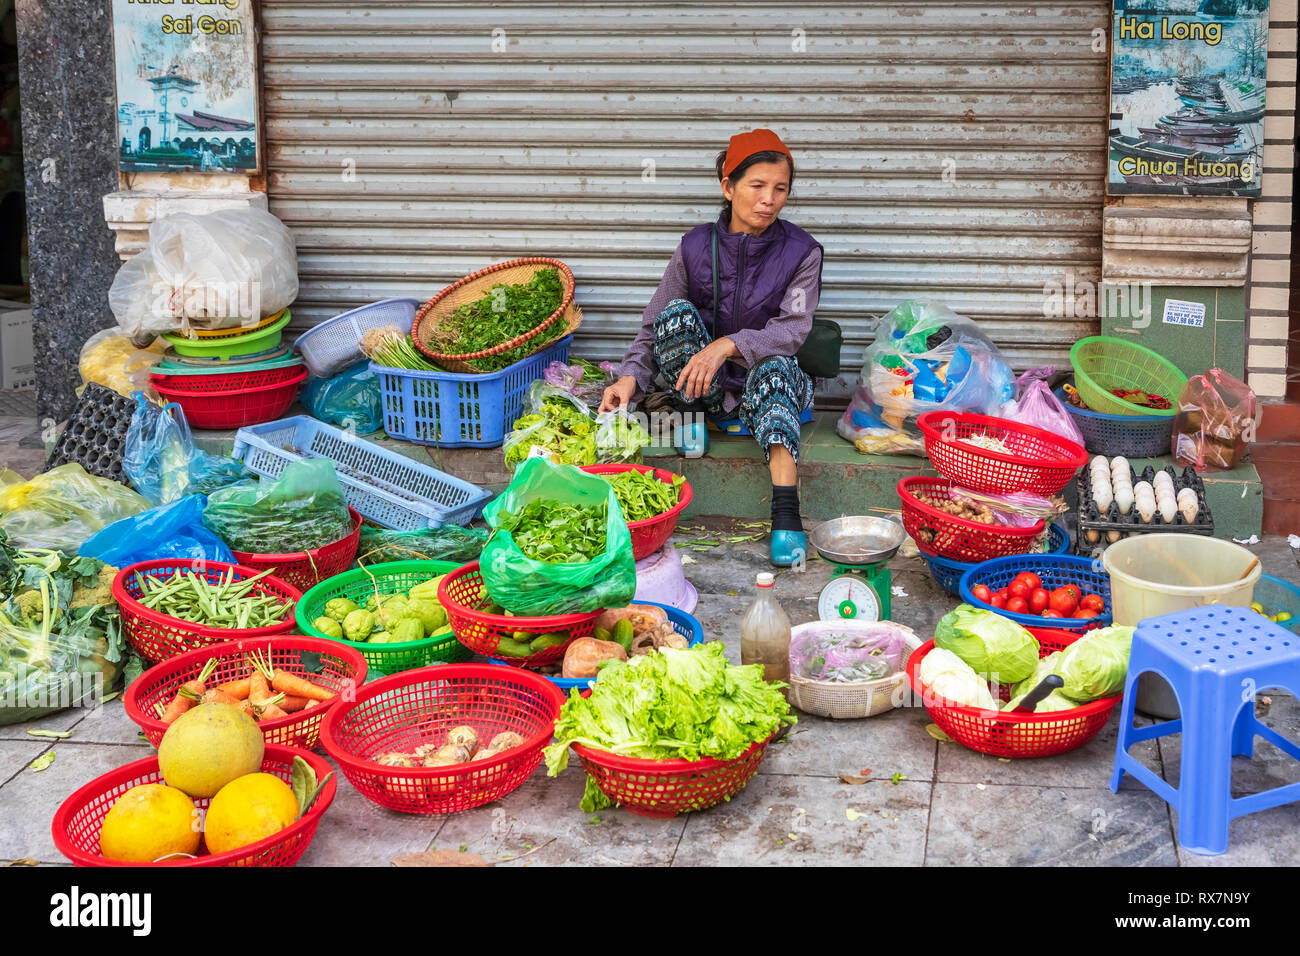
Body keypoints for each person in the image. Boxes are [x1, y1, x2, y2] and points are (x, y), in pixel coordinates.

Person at [599, 128, 822, 567]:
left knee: (776, 368)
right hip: (706, 385)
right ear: (728, 186)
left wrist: (727, 345)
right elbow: (655, 321)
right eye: (757, 186)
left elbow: (792, 330)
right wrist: (630, 378)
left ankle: (785, 514)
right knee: (676, 315)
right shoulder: (695, 246)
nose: (769, 199)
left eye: (780, 189)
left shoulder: (802, 251)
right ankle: (695, 413)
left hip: (768, 383)